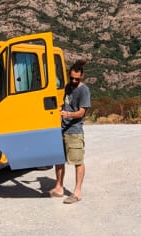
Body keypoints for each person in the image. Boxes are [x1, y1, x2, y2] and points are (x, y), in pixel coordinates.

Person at [49, 59, 91, 204]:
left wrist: (68, 115)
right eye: (71, 78)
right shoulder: (68, 87)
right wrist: (61, 110)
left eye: (76, 79)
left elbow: (81, 112)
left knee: (77, 161)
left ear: (82, 77)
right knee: (59, 160)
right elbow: (66, 104)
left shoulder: (84, 90)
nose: (73, 80)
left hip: (74, 131)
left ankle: (77, 192)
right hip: (62, 129)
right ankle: (59, 187)